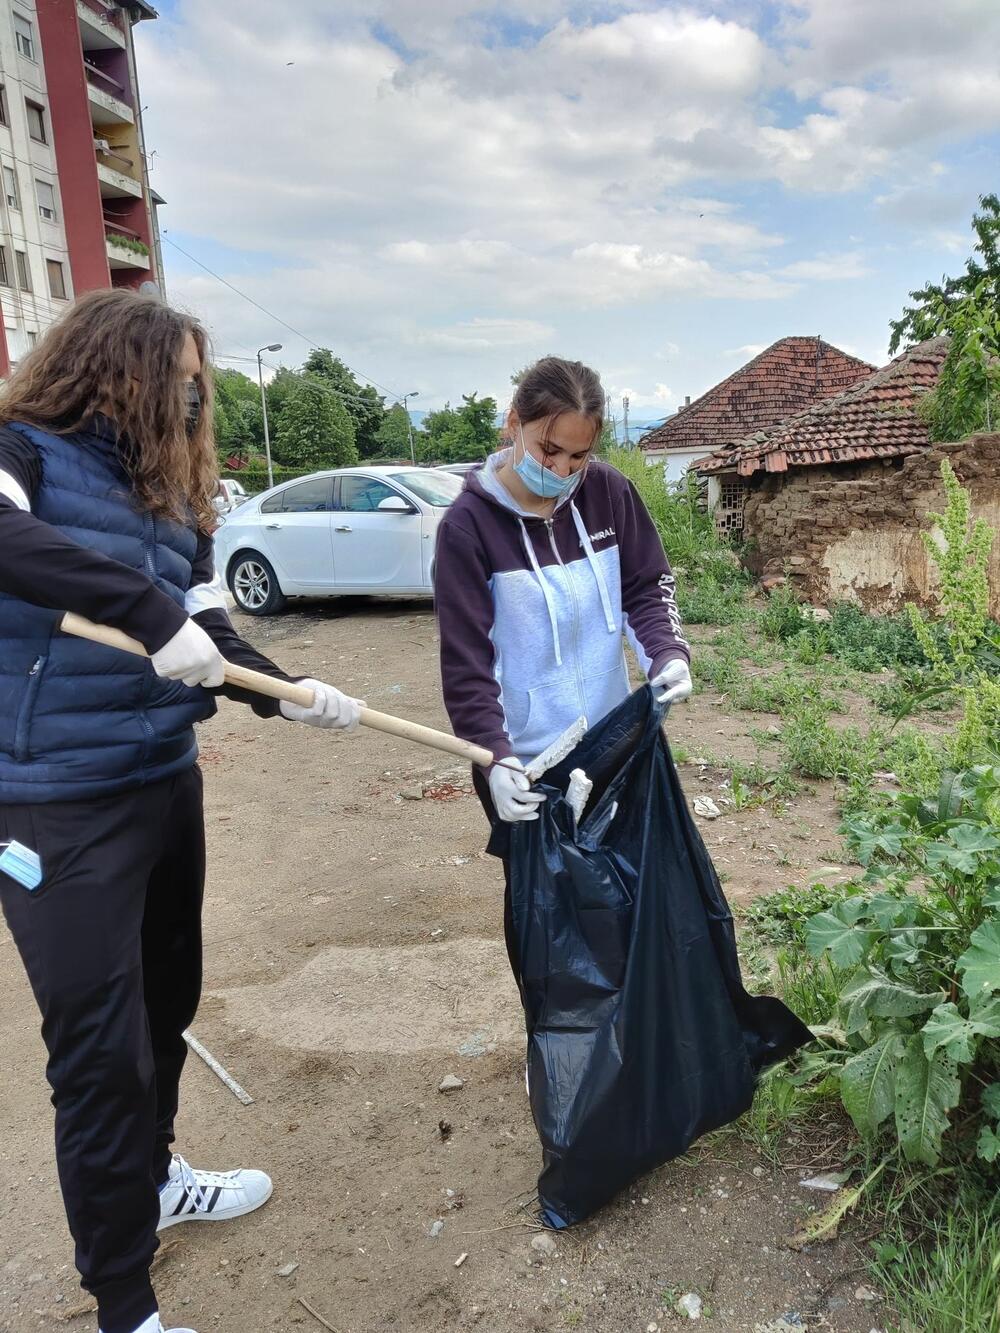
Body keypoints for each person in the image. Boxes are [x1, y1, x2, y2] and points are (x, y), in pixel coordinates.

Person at [0, 290, 363, 1333]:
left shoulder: (172, 499)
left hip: (164, 777)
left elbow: (212, 642)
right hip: (52, 806)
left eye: (199, 386)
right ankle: (123, 1301)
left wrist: (299, 697)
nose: (193, 399)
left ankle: (156, 1178)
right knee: (100, 1050)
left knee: (166, 1004)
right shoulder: (20, 451)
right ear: (116, 366)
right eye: (182, 379)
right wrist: (142, 608)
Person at [434, 355, 693, 973]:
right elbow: (467, 664)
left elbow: (646, 587)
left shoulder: (607, 494)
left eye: (578, 457)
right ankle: (559, 1059)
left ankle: (632, 1046)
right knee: (552, 920)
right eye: (549, 450)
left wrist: (666, 652)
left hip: (613, 742)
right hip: (529, 764)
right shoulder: (467, 529)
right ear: (514, 422)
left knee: (631, 897)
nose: (561, 471)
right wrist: (494, 759)